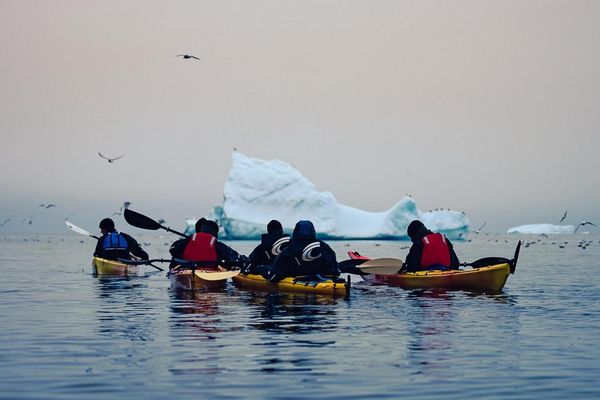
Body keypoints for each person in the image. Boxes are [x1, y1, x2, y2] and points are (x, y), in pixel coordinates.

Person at [266, 220, 339, 281]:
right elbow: (334, 268)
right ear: (313, 231)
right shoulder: (323, 246)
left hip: (296, 280)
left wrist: (271, 276)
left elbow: (275, 273)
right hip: (320, 280)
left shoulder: (290, 247)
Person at [169, 219, 245, 269]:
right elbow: (235, 258)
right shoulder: (217, 245)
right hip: (208, 273)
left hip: (187, 269)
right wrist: (244, 261)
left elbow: (172, 251)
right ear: (215, 234)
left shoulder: (188, 240)